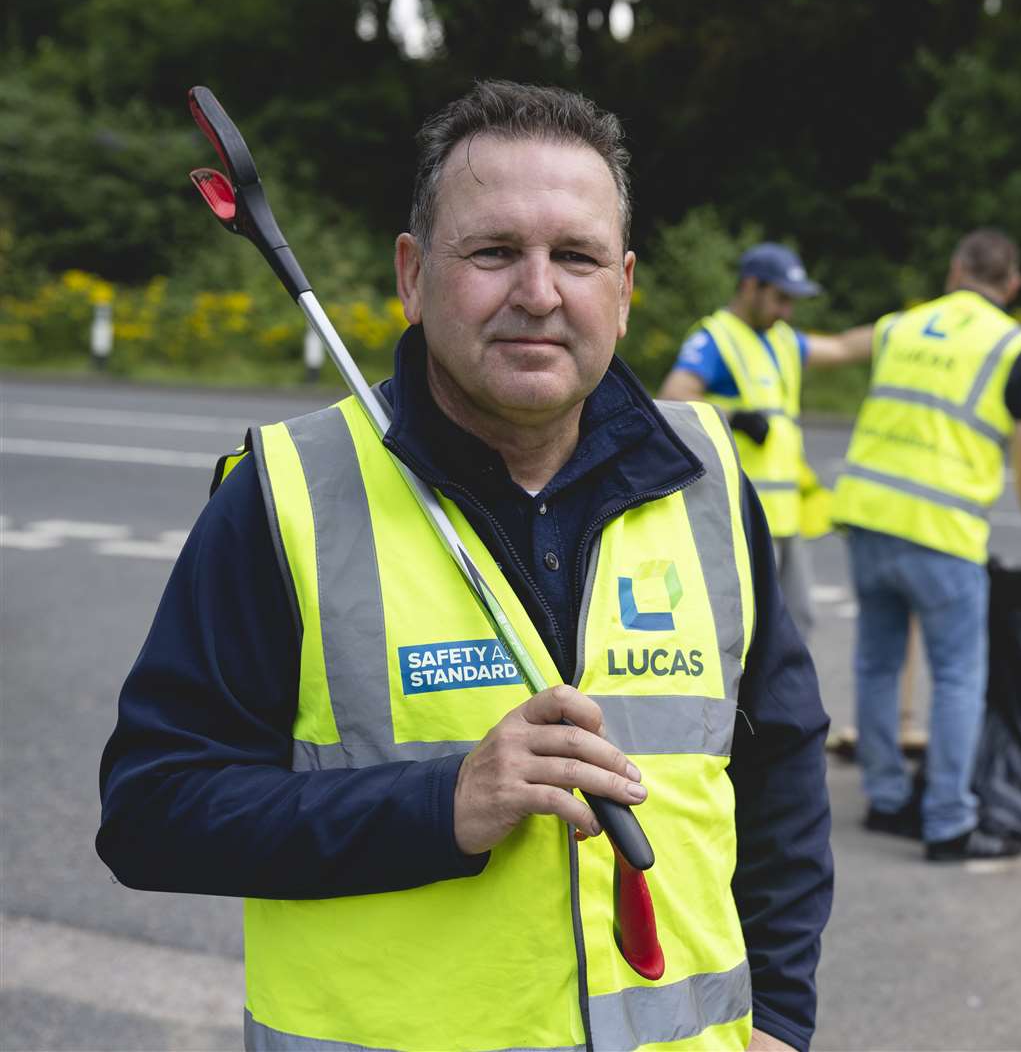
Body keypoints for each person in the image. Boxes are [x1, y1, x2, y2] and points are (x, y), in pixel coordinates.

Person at [96, 80, 832, 1052]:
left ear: (624, 286)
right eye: (493, 252)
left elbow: (779, 774)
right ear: (412, 274)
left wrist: (780, 1018)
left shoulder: (705, 479)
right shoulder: (284, 498)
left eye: (576, 255)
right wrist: (437, 806)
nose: (538, 293)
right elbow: (152, 813)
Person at [830, 227, 1021, 862]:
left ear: (956, 268)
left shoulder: (905, 327)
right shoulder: (1014, 345)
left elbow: (837, 348)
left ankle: (886, 798)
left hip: (870, 518)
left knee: (878, 664)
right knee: (958, 675)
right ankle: (949, 823)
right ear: (1012, 285)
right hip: (944, 535)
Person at [658, 244, 872, 634]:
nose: (787, 310)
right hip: (742, 516)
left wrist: (902, 330)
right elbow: (674, 396)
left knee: (798, 624)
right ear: (750, 286)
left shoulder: (782, 339)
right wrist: (734, 418)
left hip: (785, 518)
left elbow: (843, 347)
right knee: (749, 633)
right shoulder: (716, 338)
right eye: (781, 298)